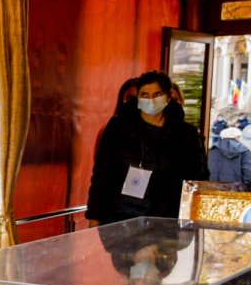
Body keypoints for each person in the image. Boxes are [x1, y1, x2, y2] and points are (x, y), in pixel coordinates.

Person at [86, 69, 208, 226]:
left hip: (166, 221)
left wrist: (191, 223)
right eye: (145, 94)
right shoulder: (118, 128)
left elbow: (196, 179)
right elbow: (100, 176)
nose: (151, 100)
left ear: (168, 97)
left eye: (157, 94)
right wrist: (94, 217)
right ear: (138, 97)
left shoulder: (186, 134)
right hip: (121, 219)